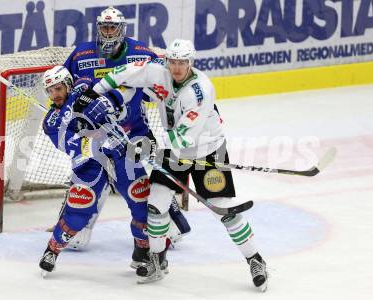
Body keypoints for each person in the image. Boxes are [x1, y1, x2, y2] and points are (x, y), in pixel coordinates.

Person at [92, 39, 269, 291]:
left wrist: (151, 147)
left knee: (224, 210)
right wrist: (94, 91)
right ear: (167, 61)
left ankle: (255, 259)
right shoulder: (158, 72)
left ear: (191, 62)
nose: (176, 67)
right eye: (173, 62)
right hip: (173, 150)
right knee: (156, 206)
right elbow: (124, 72)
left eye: (182, 62)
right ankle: (157, 259)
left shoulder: (200, 90)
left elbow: (186, 136)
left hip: (207, 151)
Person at [38, 64, 190, 276]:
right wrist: (96, 139)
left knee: (140, 200)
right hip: (89, 163)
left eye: (58, 88)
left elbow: (127, 90)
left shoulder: (86, 88)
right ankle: (52, 250)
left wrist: (109, 103)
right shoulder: (52, 121)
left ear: (68, 85)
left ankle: (143, 253)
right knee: (80, 208)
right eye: (50, 90)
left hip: (122, 153)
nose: (54, 94)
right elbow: (68, 145)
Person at [60, 6, 190, 252]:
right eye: (104, 27)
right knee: (89, 175)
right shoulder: (81, 53)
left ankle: (168, 225)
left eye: (113, 27)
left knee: (145, 179)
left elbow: (162, 83)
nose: (108, 32)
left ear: (121, 29)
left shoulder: (140, 51)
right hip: (95, 134)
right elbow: (65, 87)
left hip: (134, 130)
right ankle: (77, 226)